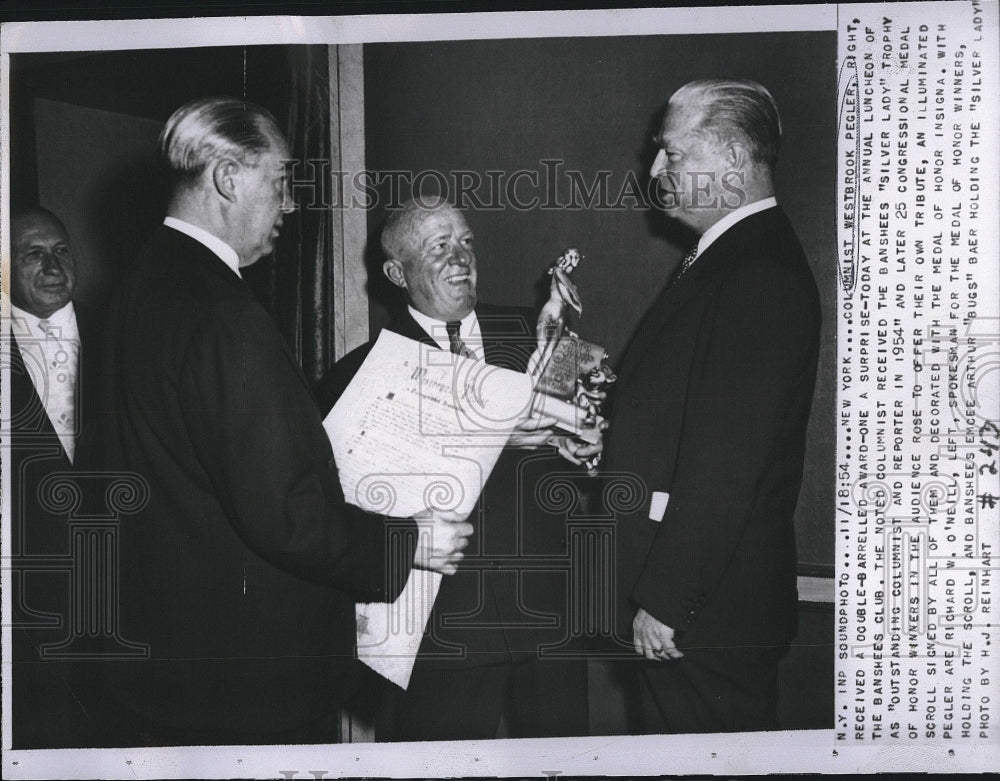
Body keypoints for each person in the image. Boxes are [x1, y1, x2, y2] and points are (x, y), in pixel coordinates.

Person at [83, 97, 472, 746]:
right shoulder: (223, 311)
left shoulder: (137, 289)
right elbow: (287, 513)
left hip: (173, 666)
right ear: (229, 178)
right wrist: (411, 542)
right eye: (282, 181)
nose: (290, 205)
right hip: (251, 682)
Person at [317, 197, 600, 741]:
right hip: (441, 640)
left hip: (550, 624)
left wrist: (586, 443)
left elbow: (592, 439)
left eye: (466, 241)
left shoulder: (544, 337)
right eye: (438, 246)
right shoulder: (357, 377)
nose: (459, 257)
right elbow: (345, 514)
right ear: (397, 272)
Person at [603, 80, 821, 733]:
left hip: (701, 616)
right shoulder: (734, 258)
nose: (655, 171)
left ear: (728, 155)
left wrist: (668, 600)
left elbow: (729, 461)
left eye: (671, 153)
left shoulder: (754, 273)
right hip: (709, 610)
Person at [6, 207, 101, 747]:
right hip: (24, 597)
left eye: (61, 251)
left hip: (121, 580)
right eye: (32, 254)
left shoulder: (120, 329)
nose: (51, 265)